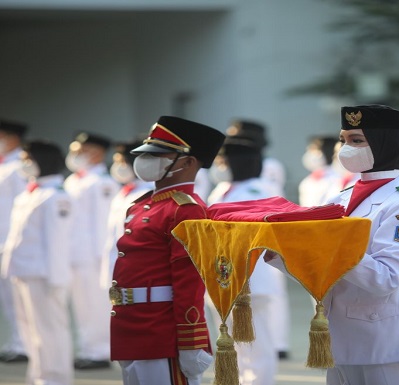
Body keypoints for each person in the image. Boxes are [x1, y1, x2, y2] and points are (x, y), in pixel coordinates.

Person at [268, 104, 399, 384]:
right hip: (341, 341)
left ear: (386, 144)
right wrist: (280, 250)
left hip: (388, 344)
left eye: (356, 140)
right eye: (343, 140)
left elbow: (387, 278)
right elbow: (322, 269)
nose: (345, 148)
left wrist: (331, 243)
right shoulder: (342, 197)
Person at [110, 116, 225, 385]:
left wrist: (191, 339)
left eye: (160, 155)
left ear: (187, 162)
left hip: (161, 329)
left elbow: (190, 280)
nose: (145, 160)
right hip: (131, 322)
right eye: (147, 154)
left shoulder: (186, 209)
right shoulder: (141, 205)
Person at [206, 135, 279, 385]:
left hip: (251, 278)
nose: (219, 165)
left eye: (224, 160)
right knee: (232, 344)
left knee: (255, 345)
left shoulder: (257, 190)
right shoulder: (223, 189)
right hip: (224, 275)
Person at [2, 140, 74, 384]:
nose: (23, 164)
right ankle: (39, 376)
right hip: (23, 272)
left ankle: (56, 378)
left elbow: (57, 242)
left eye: (27, 158)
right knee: (30, 331)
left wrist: (57, 280)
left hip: (44, 275)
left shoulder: (55, 196)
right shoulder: (29, 193)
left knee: (50, 330)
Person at [226, 119, 292, 359]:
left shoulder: (263, 179)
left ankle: (279, 341)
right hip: (231, 268)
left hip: (264, 246)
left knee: (267, 307)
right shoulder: (226, 188)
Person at [63, 131, 120, 369]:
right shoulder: (73, 180)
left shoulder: (103, 182)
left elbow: (103, 221)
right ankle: (87, 346)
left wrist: (102, 257)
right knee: (80, 303)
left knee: (96, 302)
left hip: (92, 253)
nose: (75, 156)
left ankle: (100, 350)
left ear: (97, 153)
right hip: (74, 251)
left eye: (81, 151)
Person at [99, 139, 153, 289]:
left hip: (134, 268)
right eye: (116, 161)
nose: (118, 167)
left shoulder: (147, 192)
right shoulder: (123, 193)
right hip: (116, 264)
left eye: (123, 162)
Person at [0, 119, 29, 363]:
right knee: (8, 298)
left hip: (11, 240)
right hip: (2, 240)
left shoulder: (19, 165)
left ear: (12, 138)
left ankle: (23, 344)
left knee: (18, 296)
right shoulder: (5, 165)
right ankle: (15, 341)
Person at [298, 135, 341, 207]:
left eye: (315, 149)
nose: (311, 154)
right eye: (309, 150)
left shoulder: (338, 178)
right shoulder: (306, 182)